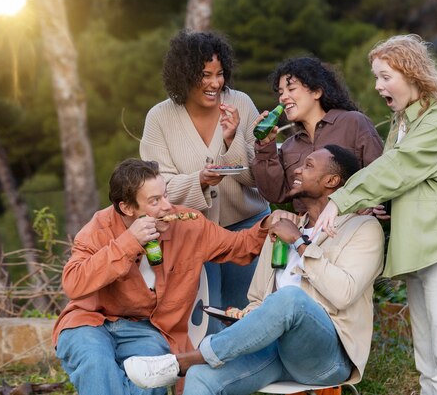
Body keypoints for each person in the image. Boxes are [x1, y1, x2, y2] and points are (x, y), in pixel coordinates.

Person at [124, 145, 385, 394]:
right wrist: (246, 317)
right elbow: (258, 299)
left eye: (308, 165)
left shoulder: (362, 228)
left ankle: (184, 362)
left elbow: (343, 294)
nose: (296, 170)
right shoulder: (282, 226)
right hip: (274, 351)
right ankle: (192, 366)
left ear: (331, 181)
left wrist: (299, 243)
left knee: (290, 300)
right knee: (200, 377)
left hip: (325, 357)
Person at [313, 34, 437, 395]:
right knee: (427, 363)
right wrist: (387, 207)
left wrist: (339, 199)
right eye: (376, 77)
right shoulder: (402, 123)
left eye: (385, 76)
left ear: (411, 73)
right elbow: (414, 182)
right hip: (418, 251)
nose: (377, 86)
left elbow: (399, 166)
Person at [53, 158, 278, 395]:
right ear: (127, 208)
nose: (168, 206)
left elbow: (240, 246)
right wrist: (128, 243)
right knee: (95, 362)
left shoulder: (188, 225)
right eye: (154, 201)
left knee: (157, 372)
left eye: (166, 195)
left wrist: (270, 224)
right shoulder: (99, 229)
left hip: (144, 328)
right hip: (89, 321)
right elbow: (73, 284)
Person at [140, 30, 270, 331]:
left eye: (220, 74)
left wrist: (231, 139)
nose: (215, 83)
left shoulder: (241, 103)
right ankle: (204, 378)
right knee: (205, 326)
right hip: (191, 232)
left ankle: (252, 377)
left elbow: (258, 179)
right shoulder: (159, 118)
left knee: (249, 320)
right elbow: (158, 190)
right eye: (205, 75)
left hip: (248, 226)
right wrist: (199, 181)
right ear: (183, 75)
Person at [251, 56, 385, 214]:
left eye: (291, 89)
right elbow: (275, 194)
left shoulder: (354, 122)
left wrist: (371, 204)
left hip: (350, 226)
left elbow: (381, 174)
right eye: (281, 93)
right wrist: (265, 147)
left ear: (317, 92)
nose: (283, 98)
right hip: (308, 232)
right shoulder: (289, 145)